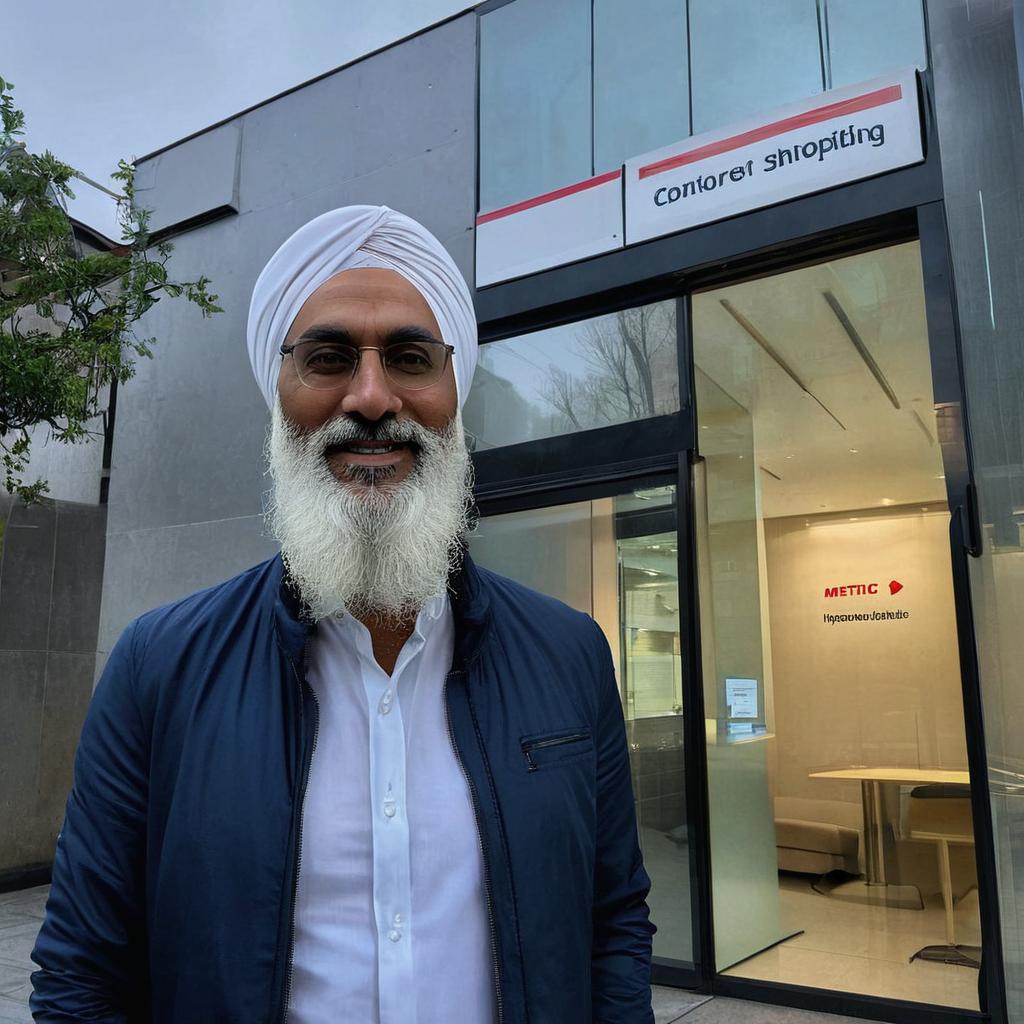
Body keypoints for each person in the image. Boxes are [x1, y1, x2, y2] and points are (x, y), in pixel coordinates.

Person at [29, 205, 655, 1023]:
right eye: (327, 358)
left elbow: (612, 924)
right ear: (277, 391)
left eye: (409, 357)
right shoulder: (160, 665)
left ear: (453, 390)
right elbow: (83, 972)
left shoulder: (569, 652)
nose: (369, 397)